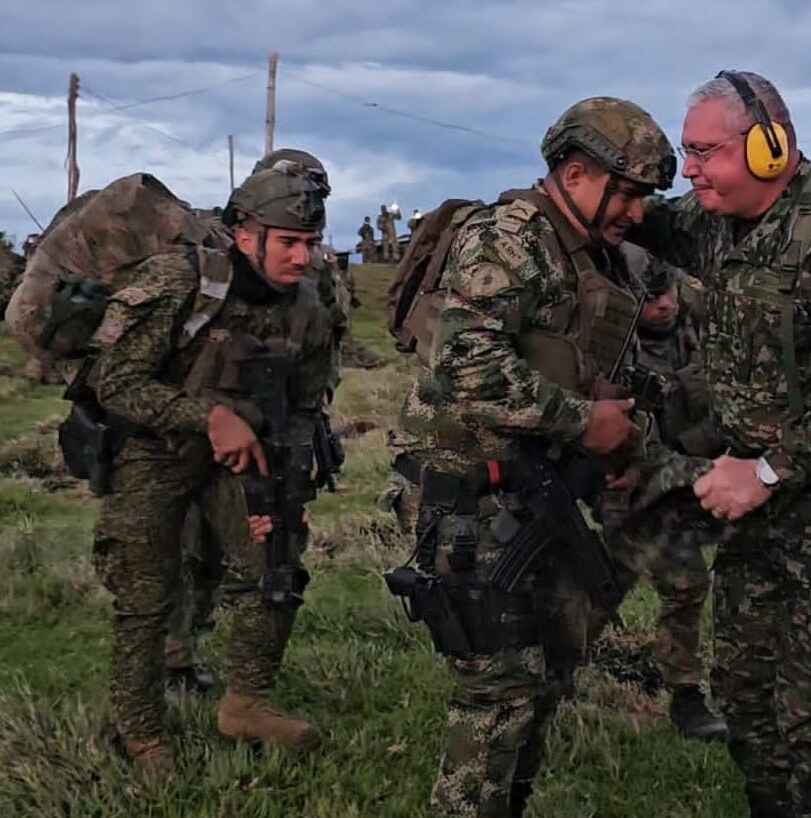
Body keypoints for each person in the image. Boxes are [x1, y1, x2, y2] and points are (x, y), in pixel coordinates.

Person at [388, 97, 706, 817]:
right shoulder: (507, 239)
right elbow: (464, 363)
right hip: (467, 492)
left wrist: (621, 433)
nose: (634, 211)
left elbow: (581, 362)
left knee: (546, 674)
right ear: (572, 171)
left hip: (538, 490)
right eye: (624, 192)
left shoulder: (588, 256)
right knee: (497, 690)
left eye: (643, 196)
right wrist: (580, 421)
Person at [630, 70, 811, 817]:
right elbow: (639, 217)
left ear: (770, 147)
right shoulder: (715, 218)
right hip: (757, 509)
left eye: (704, 152)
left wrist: (766, 468)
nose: (690, 169)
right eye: (685, 153)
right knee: (749, 699)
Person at [87, 166, 336, 777]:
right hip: (153, 449)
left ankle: (246, 701)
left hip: (244, 452)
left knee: (275, 563)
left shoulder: (307, 304)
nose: (303, 257)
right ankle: (140, 732)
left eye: (310, 243)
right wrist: (207, 417)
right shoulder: (182, 281)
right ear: (245, 234)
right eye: (289, 243)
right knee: (147, 593)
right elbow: (113, 383)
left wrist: (290, 487)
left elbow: (304, 406)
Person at [164, 148, 346, 696]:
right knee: (187, 545)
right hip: (195, 427)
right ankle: (171, 661)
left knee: (253, 544)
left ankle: (232, 673)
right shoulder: (212, 264)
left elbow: (322, 344)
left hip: (278, 416)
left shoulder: (315, 270)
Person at [607, 244, 726, 740]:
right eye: (652, 297)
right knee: (609, 586)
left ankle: (687, 693)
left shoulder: (701, 317)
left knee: (690, 583)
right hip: (635, 477)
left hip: (695, 469)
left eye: (669, 291)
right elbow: (629, 448)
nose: (665, 304)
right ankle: (555, 669)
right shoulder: (613, 349)